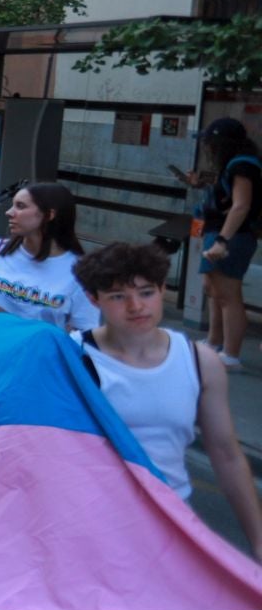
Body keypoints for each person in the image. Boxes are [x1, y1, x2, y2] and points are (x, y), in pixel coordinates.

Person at [73, 242, 262, 559]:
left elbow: (226, 454)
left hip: (170, 527)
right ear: (94, 299)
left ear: (162, 290)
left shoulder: (200, 362)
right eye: (118, 296)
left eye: (146, 292)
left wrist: (258, 539)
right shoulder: (71, 358)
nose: (136, 306)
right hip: (91, 531)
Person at [0, 182, 97, 330]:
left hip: (39, 352)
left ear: (49, 215)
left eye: (20, 206)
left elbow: (86, 333)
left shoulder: (80, 272)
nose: (9, 212)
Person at [186, 117, 258, 369]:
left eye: (210, 141)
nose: (207, 147)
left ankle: (231, 353)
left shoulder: (243, 166)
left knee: (227, 294)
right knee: (213, 289)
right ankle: (215, 343)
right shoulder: (235, 165)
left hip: (231, 236)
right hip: (221, 232)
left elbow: (241, 205)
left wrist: (222, 240)